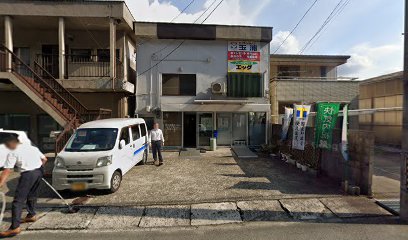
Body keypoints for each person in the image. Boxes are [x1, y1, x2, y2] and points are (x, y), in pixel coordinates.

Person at [0, 133, 47, 238]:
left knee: (18, 201)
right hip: (39, 171)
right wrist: (37, 168)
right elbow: (44, 159)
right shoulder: (32, 148)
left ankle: (14, 227)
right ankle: (31, 214)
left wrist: (0, 183)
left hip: (28, 174)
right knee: (32, 194)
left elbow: (7, 170)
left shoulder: (13, 152)